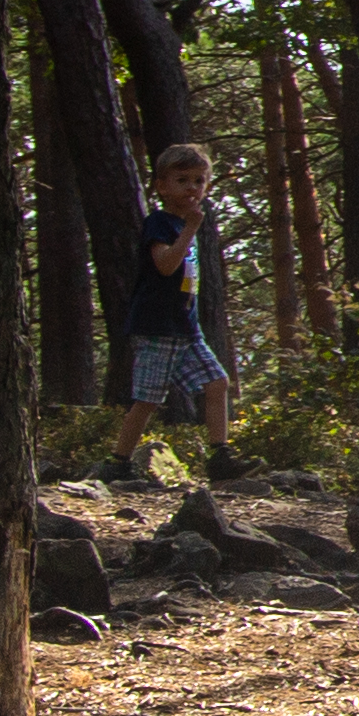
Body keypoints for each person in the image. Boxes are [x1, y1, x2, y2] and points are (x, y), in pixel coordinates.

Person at [118, 142, 248, 482]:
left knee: (217, 383)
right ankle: (117, 461)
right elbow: (164, 265)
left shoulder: (185, 224)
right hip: (158, 326)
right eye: (182, 180)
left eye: (199, 180)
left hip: (186, 329)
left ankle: (220, 457)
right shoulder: (160, 223)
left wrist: (191, 227)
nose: (192, 187)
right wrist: (190, 229)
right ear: (162, 186)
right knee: (147, 400)